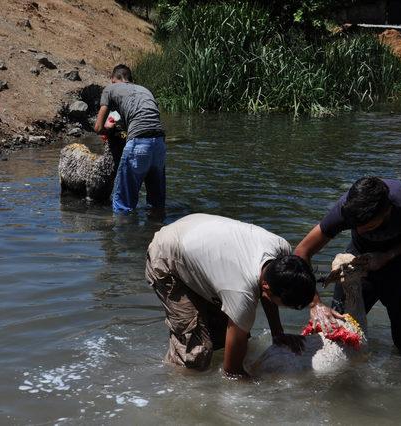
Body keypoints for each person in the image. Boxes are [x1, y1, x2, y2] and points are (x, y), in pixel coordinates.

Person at [146, 213, 318, 377]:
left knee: (225, 340)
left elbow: (267, 294)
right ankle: (173, 388)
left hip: (196, 235)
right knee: (195, 354)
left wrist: (278, 334)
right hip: (168, 255)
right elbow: (232, 371)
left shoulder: (282, 251)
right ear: (267, 287)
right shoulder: (241, 292)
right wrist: (260, 389)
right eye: (284, 304)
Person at [295, 177, 401, 355]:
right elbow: (302, 251)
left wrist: (388, 255)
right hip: (359, 262)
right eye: (355, 226)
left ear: (387, 212)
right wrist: (315, 303)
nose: (360, 231)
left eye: (368, 226)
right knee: (338, 334)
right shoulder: (346, 209)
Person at [94, 64, 166, 214]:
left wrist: (109, 132)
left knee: (123, 205)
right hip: (159, 144)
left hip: (138, 143)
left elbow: (98, 128)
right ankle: (156, 232)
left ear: (113, 79)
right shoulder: (145, 90)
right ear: (130, 79)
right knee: (157, 204)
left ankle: (123, 234)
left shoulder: (110, 89)